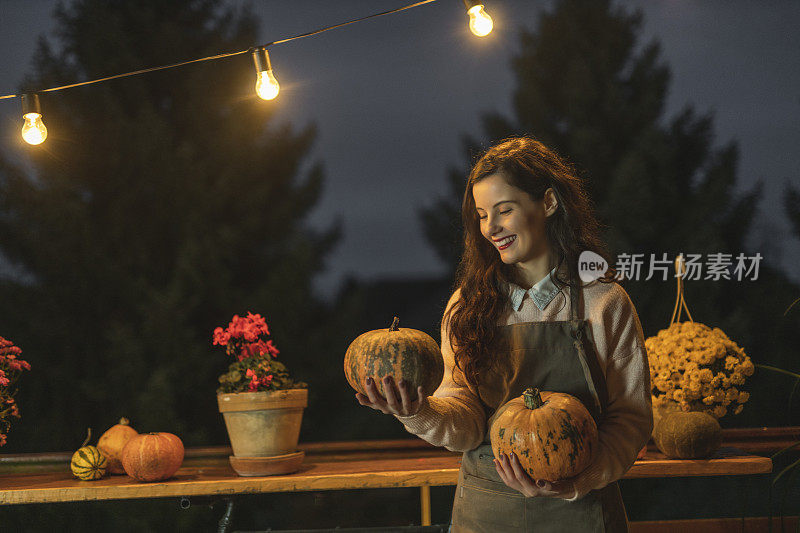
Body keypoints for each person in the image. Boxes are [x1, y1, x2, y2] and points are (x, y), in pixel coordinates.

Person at [355, 137, 653, 532]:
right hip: (487, 512)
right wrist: (418, 412)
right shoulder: (466, 306)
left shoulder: (604, 302)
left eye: (504, 210)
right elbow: (467, 424)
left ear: (547, 203)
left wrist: (574, 480)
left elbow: (631, 420)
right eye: (481, 215)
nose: (491, 228)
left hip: (582, 513)